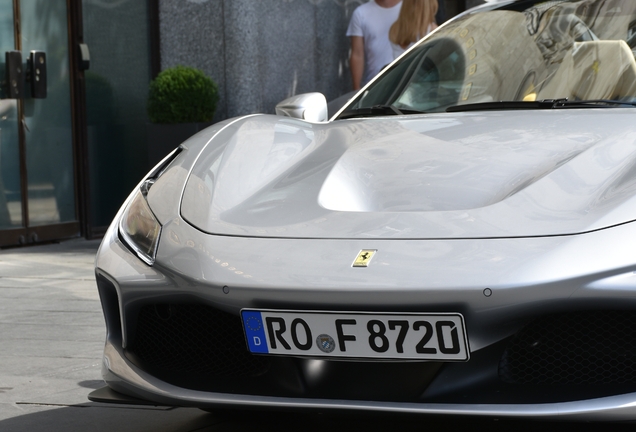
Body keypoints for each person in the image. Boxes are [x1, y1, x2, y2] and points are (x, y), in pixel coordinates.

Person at [347, 0, 402, 90]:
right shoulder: (360, 13)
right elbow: (357, 54)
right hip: (375, 88)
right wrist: (356, 89)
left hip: (408, 82)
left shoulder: (412, 9)